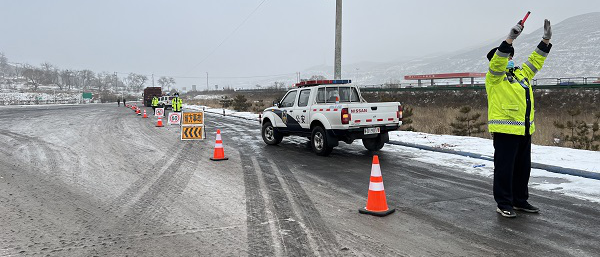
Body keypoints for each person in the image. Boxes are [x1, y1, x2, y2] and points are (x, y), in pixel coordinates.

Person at [486, 19, 552, 218]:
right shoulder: (495, 77)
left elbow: (536, 60)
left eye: (511, 56)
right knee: (505, 169)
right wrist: (510, 39)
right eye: (507, 56)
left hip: (524, 129)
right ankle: (504, 202)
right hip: (505, 130)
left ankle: (520, 200)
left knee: (523, 169)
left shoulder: (521, 74)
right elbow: (498, 60)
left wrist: (545, 41)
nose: (510, 58)